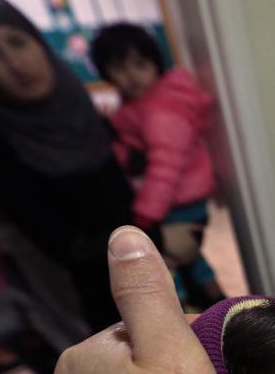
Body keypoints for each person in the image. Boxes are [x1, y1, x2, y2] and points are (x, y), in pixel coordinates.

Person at [0, 0, 132, 332]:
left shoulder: (77, 103)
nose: (16, 63)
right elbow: (66, 252)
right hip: (94, 313)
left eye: (17, 42)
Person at [91, 23, 224, 310]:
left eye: (140, 64)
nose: (131, 76)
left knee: (165, 261)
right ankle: (217, 304)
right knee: (193, 261)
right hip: (173, 202)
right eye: (119, 68)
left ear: (156, 62)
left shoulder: (161, 111)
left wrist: (145, 214)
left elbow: (166, 167)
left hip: (178, 203)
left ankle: (181, 313)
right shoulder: (136, 107)